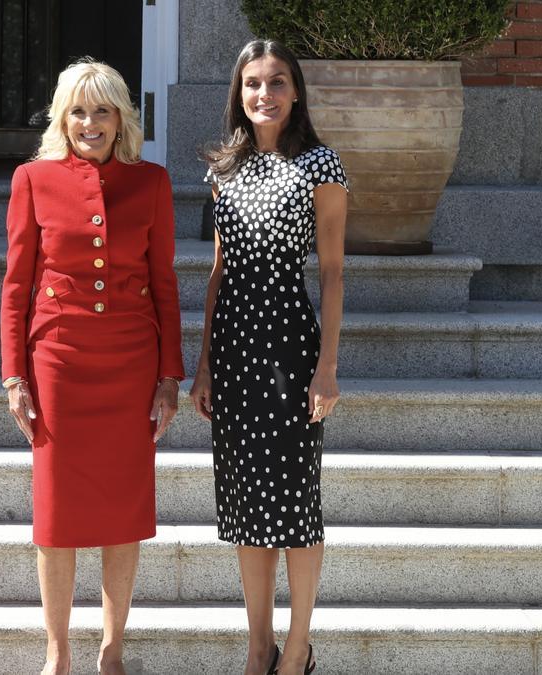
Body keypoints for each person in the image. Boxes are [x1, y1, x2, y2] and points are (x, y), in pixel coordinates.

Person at [0, 59, 184, 675]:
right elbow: (16, 286)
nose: (89, 123)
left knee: (123, 507)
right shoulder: (32, 179)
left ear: (120, 118)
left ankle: (112, 649)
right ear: (62, 117)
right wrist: (14, 376)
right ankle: (57, 652)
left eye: (102, 110)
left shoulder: (151, 182)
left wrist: (169, 378)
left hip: (131, 362)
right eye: (78, 111)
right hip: (58, 359)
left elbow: (164, 284)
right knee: (56, 510)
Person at [190, 39, 348, 675]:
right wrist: (202, 363)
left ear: (296, 91)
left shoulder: (321, 165)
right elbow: (218, 274)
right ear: (239, 93)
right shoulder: (224, 169)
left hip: (289, 345)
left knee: (296, 503)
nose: (264, 94)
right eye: (252, 83)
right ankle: (258, 648)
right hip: (233, 350)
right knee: (246, 504)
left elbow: (333, 275)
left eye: (276, 82)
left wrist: (328, 366)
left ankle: (299, 646)